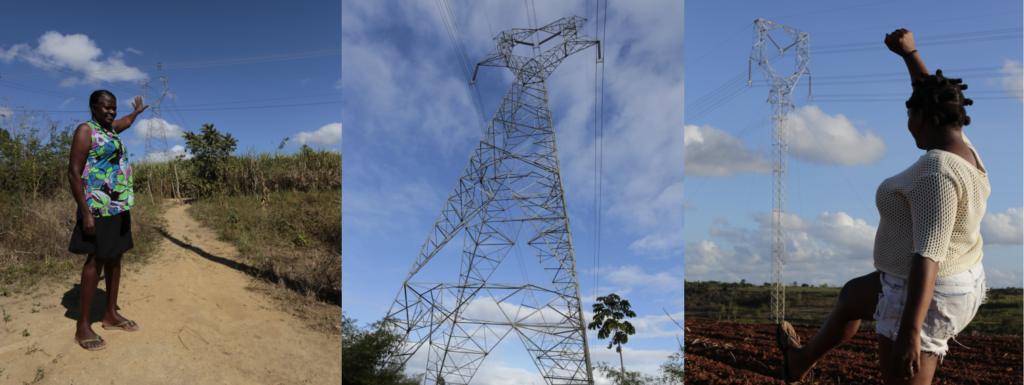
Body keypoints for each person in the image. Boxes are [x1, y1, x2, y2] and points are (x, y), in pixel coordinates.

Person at [775, 29, 989, 385]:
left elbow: (928, 255)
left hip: (926, 290)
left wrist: (910, 333)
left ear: (922, 116)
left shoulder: (937, 170)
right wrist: (909, 53)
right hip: (946, 274)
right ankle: (798, 363)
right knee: (850, 298)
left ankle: (902, 341)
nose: (908, 127)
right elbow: (932, 91)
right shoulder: (963, 148)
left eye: (910, 116)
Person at [67, 90, 149, 351]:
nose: (112, 112)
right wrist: (86, 213)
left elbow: (124, 122)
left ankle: (111, 314)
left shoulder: (112, 130)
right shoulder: (86, 130)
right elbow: (73, 173)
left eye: (114, 107)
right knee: (96, 258)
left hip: (119, 205)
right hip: (98, 207)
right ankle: (82, 326)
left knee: (116, 256)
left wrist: (135, 113)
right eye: (106, 108)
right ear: (93, 107)